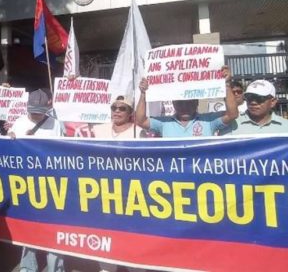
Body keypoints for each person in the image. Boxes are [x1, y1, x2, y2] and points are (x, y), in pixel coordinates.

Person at [87, 95, 145, 272]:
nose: (117, 111)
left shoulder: (140, 132)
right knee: (105, 235)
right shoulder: (98, 130)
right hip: (104, 194)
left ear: (130, 113)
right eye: (114, 108)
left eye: (122, 108)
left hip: (131, 195)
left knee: (133, 238)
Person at [8, 89, 64, 272]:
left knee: (54, 228)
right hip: (26, 185)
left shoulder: (56, 124)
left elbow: (64, 153)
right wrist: (10, 140)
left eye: (40, 111)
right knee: (28, 227)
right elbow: (9, 155)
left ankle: (55, 268)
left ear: (47, 107)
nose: (36, 115)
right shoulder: (19, 123)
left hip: (52, 186)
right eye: (33, 111)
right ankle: (27, 267)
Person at [135, 66, 238, 137]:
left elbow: (232, 114)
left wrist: (227, 84)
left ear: (196, 102)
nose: (184, 106)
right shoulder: (164, 123)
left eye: (189, 102)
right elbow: (141, 120)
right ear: (173, 103)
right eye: (180, 102)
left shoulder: (209, 120)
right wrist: (143, 93)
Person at [227, 79, 288, 144]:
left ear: (273, 102)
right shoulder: (231, 125)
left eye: (259, 98)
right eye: (249, 97)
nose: (253, 102)